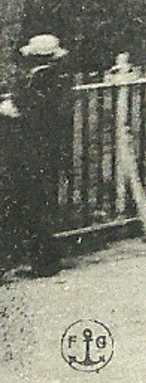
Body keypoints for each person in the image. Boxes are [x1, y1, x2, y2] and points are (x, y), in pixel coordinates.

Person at [1, 34, 74, 277]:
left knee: (30, 204)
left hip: (33, 151)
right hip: (45, 150)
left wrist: (12, 107)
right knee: (36, 204)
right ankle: (44, 259)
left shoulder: (43, 79)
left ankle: (43, 260)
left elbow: (29, 109)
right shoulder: (54, 78)